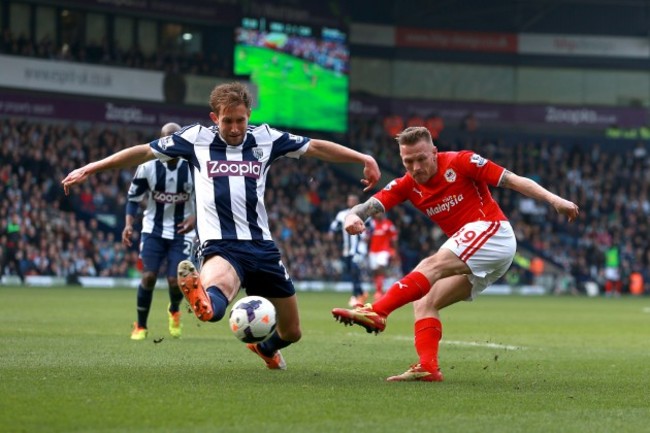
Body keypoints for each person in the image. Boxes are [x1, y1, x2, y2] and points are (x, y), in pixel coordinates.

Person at [62, 81, 380, 369]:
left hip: (262, 248)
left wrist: (361, 157)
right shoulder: (195, 139)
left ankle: (267, 349)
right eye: (227, 120)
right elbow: (144, 152)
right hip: (221, 246)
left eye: (240, 120)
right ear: (215, 118)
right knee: (213, 305)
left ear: (248, 115)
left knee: (292, 332)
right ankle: (201, 298)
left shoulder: (265, 138)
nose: (234, 127)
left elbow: (315, 147)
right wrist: (92, 167)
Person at [332, 126, 579, 382]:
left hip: (493, 232)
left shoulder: (461, 161)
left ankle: (378, 312)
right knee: (425, 300)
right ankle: (428, 367)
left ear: (434, 152)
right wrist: (352, 216)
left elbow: (513, 179)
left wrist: (555, 201)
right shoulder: (406, 184)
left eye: (421, 159)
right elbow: (366, 206)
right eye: (408, 161)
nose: (415, 167)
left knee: (432, 263)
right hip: (478, 251)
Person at [122, 122, 196, 340]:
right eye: (166, 140)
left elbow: (208, 198)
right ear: (161, 141)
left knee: (176, 281)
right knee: (149, 277)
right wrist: (128, 224)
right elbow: (133, 198)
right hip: (153, 230)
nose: (171, 145)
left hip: (183, 231)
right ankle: (141, 326)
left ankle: (174, 309)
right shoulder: (147, 167)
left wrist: (196, 217)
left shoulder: (192, 167)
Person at [329, 193, 368, 307]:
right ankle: (361, 293)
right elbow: (334, 226)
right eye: (349, 200)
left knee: (355, 271)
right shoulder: (342, 214)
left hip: (359, 249)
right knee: (352, 272)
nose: (351, 202)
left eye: (353, 200)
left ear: (357, 202)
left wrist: (366, 238)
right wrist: (331, 232)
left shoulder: (363, 215)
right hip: (347, 250)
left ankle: (355, 296)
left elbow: (370, 228)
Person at [367, 213, 398, 301]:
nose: (378, 215)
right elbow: (367, 237)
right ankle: (379, 289)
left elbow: (394, 238)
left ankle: (379, 292)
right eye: (376, 213)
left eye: (380, 213)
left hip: (384, 251)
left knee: (380, 268)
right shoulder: (372, 224)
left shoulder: (388, 224)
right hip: (373, 251)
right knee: (375, 271)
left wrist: (394, 250)